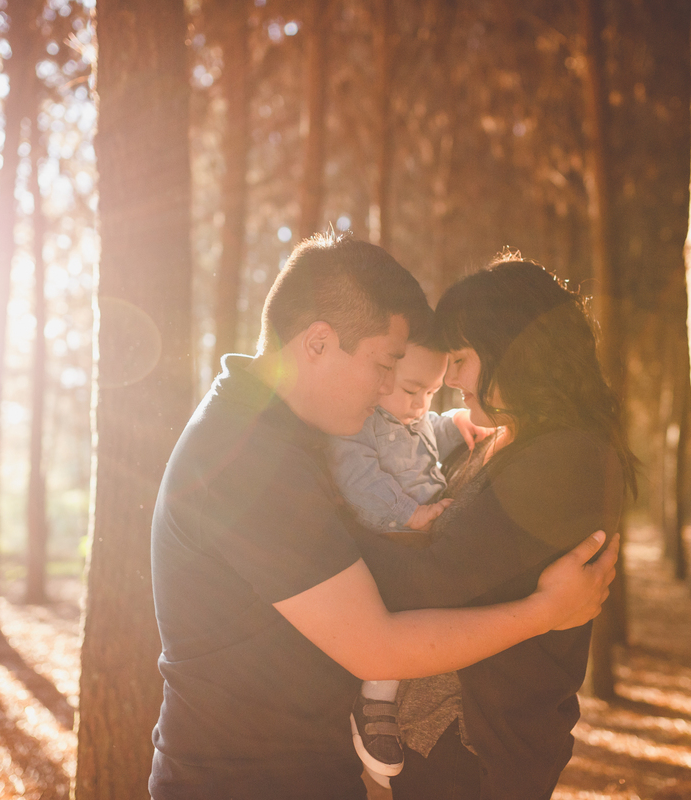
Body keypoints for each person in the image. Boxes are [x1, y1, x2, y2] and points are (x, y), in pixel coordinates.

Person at [149, 234, 619, 800]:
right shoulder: (247, 458)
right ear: (318, 343)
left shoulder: (286, 429)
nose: (386, 390)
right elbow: (376, 645)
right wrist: (546, 610)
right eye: (383, 364)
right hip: (239, 782)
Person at [352, 256, 636, 799]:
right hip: (445, 745)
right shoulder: (511, 441)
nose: (451, 378)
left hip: (475, 753)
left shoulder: (567, 459)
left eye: (461, 359)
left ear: (517, 352)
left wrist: (311, 535)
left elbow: (431, 574)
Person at [326, 337, 492, 783]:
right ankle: (376, 699)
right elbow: (356, 474)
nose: (421, 404)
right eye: (412, 389)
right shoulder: (363, 423)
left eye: (432, 393)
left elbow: (426, 436)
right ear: (383, 378)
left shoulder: (411, 415)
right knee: (399, 612)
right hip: (388, 536)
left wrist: (454, 420)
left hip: (417, 534)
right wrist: (410, 514)